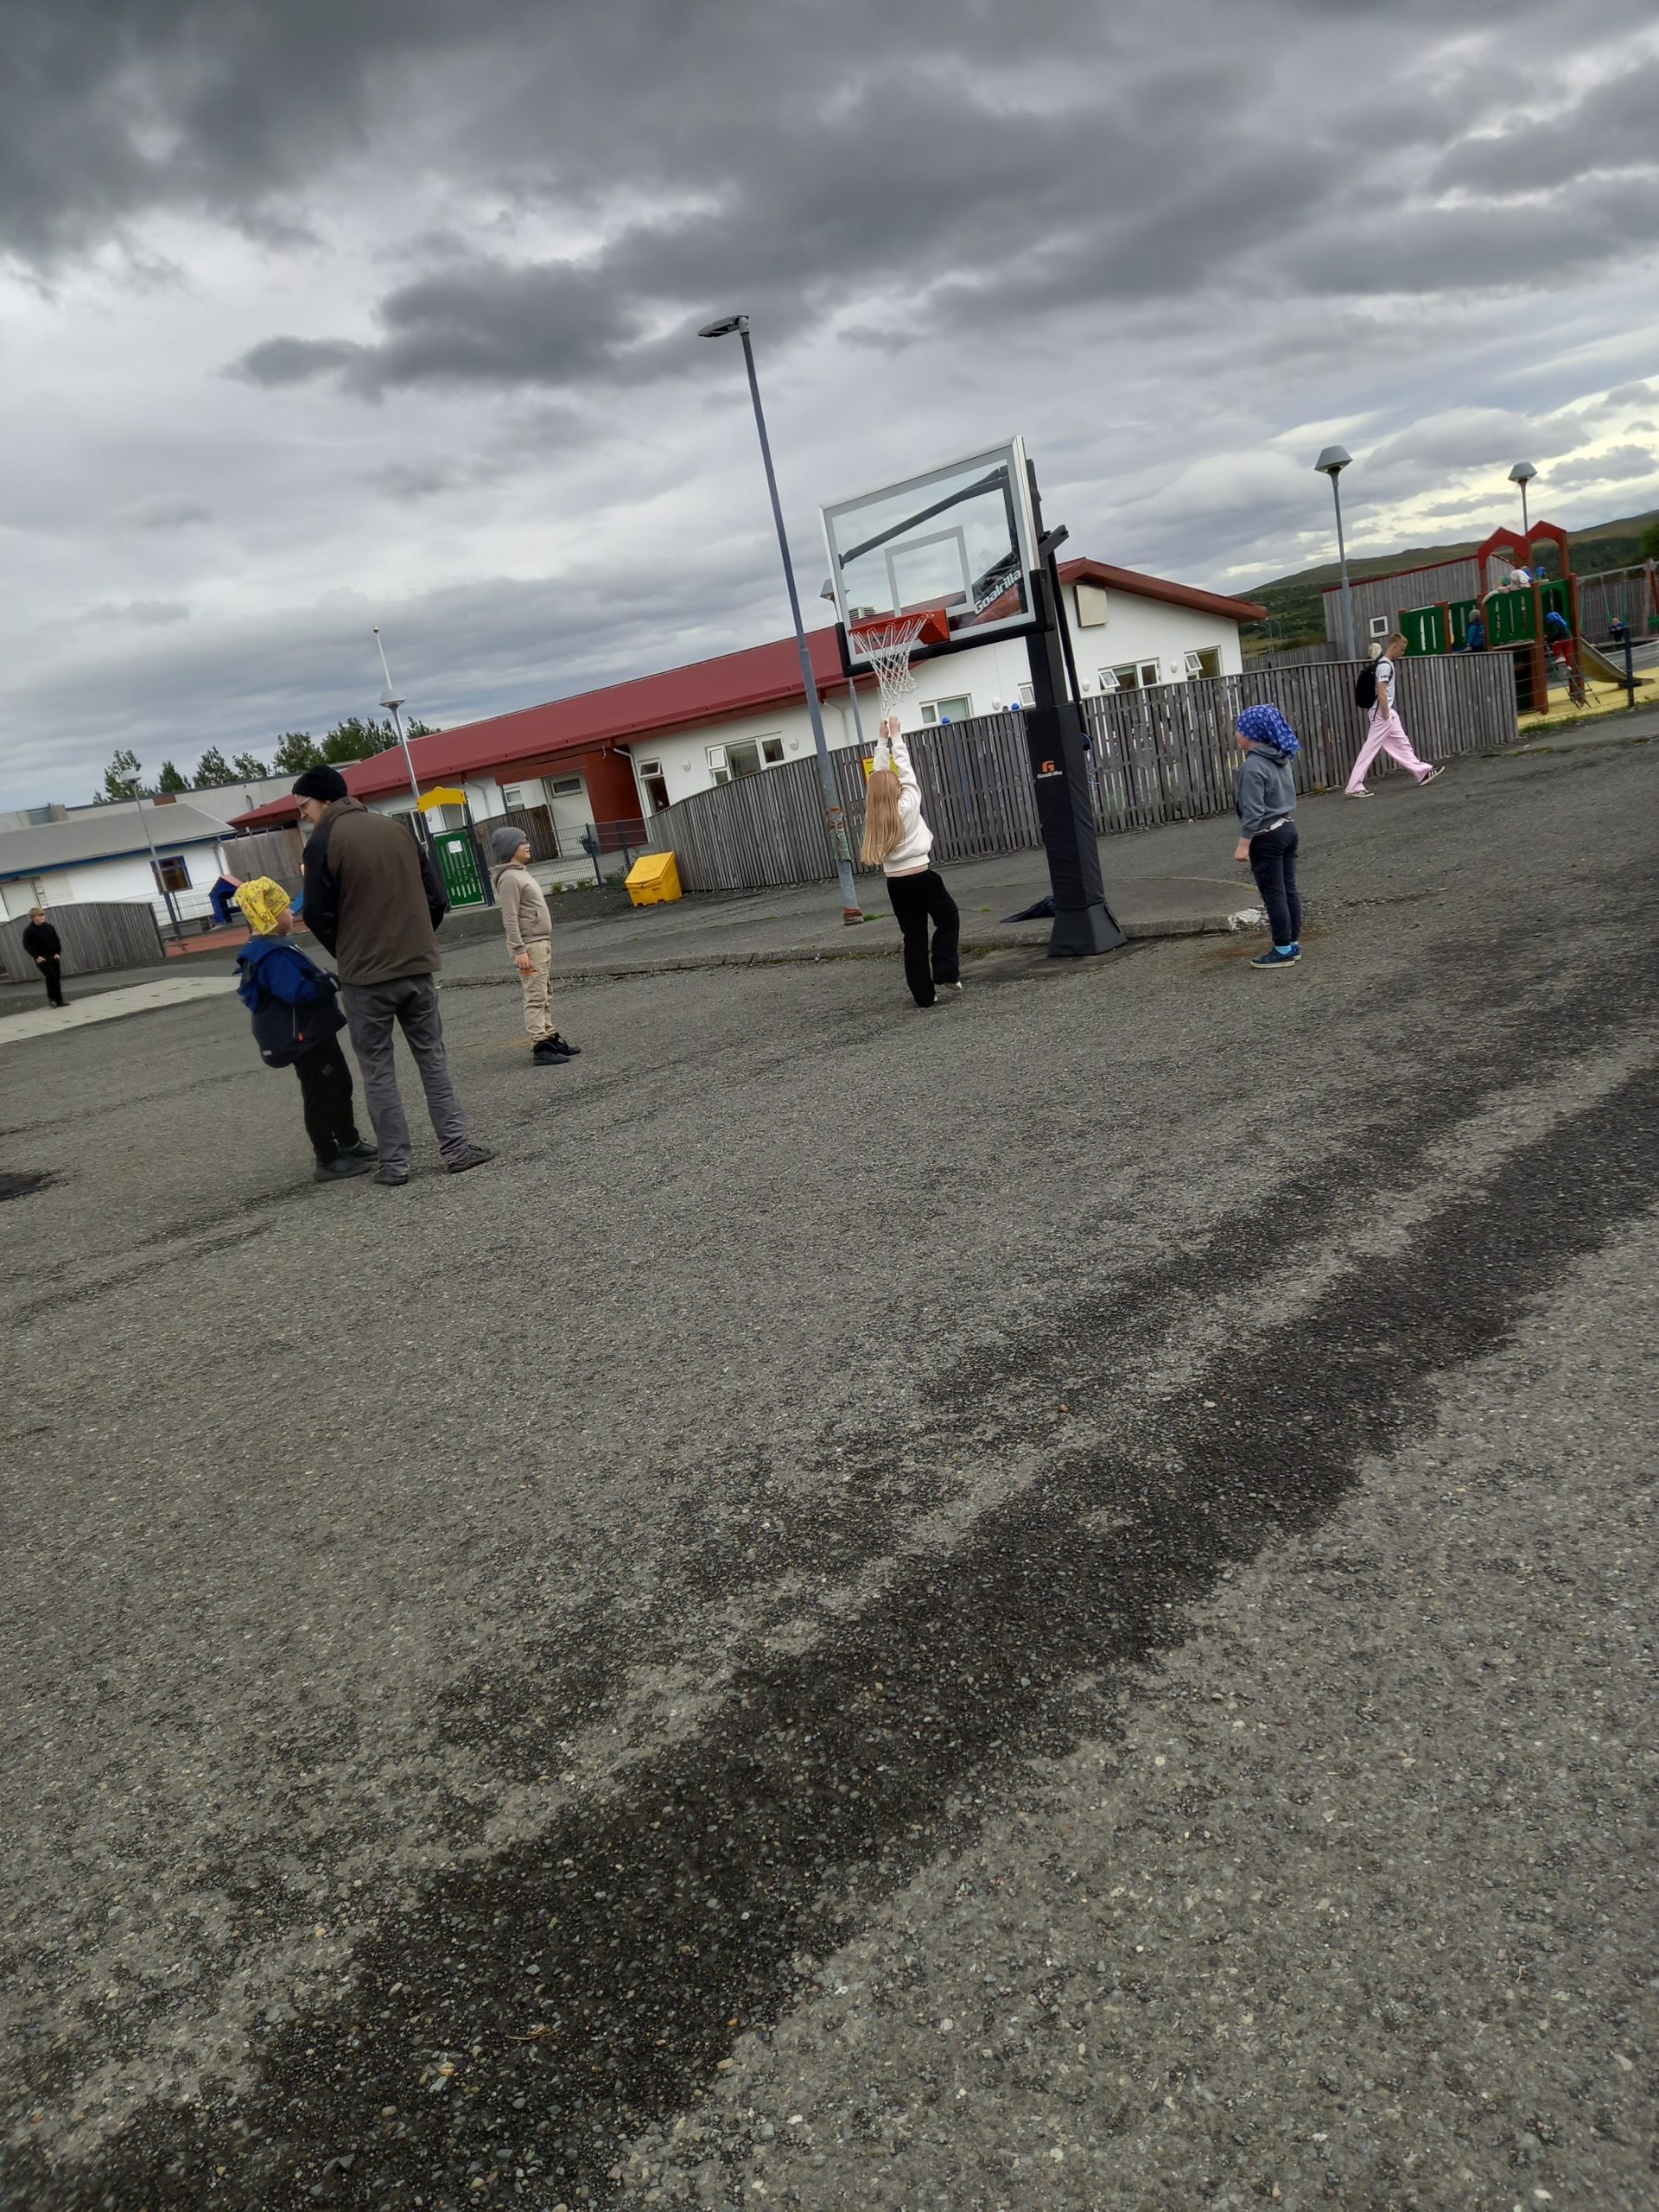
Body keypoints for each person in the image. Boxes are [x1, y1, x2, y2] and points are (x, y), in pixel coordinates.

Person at [294, 766, 493, 1185]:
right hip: (416, 967)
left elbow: (315, 913)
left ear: (324, 800)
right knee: (433, 1059)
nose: (304, 815)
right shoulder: (398, 829)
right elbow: (436, 898)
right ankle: (457, 1149)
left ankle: (396, 1164)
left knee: (378, 1069)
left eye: (305, 806)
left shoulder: (322, 843)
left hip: (365, 978)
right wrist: (415, 941)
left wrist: (347, 951)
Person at [232, 876, 378, 1184]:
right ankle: (327, 1157)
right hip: (304, 1038)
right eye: (285, 909)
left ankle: (348, 1140)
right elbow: (295, 991)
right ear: (270, 915)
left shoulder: (272, 947)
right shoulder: (272, 955)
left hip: (314, 1032)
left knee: (340, 1084)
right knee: (320, 1093)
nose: (291, 914)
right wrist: (327, 984)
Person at [859, 717, 961, 1008]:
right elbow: (906, 771)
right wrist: (896, 737)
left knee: (914, 937)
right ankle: (945, 971)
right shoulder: (909, 804)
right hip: (922, 877)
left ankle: (924, 996)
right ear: (897, 790)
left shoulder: (874, 816)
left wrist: (882, 741)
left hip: (896, 884)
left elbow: (879, 779)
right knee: (948, 918)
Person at [488, 825, 580, 1065]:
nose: (527, 845)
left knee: (544, 992)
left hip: (540, 942)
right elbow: (510, 918)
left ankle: (549, 1036)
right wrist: (519, 950)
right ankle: (540, 1045)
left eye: (526, 841)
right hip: (529, 946)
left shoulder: (521, 873)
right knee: (535, 995)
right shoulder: (509, 878)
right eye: (522, 843)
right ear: (510, 848)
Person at [1233, 705, 1302, 972]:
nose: (1236, 734)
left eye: (1239, 729)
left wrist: (1244, 844)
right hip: (1287, 828)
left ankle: (1282, 949)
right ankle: (1292, 943)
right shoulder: (1281, 757)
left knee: (1274, 894)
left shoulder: (1252, 767)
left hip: (1267, 837)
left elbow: (1253, 810)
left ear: (1253, 734)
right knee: (1288, 889)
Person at [1344, 631, 1446, 798]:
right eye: (1401, 649)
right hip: (1382, 713)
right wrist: (1386, 716)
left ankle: (1422, 772)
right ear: (1393, 647)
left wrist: (1388, 714)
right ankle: (1354, 785)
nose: (1402, 653)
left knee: (1402, 743)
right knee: (1370, 748)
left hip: (1386, 712)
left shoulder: (1385, 664)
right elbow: (1382, 692)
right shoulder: (1385, 666)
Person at [20, 908, 66, 1007]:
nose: (42, 917)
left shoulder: (49, 927)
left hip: (54, 957)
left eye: (43, 915)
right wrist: (36, 957)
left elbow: (56, 940)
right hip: (42, 959)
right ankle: (51, 999)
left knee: (56, 978)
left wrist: (58, 953)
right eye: (39, 915)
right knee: (51, 976)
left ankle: (59, 1000)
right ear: (33, 918)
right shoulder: (29, 931)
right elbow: (27, 946)